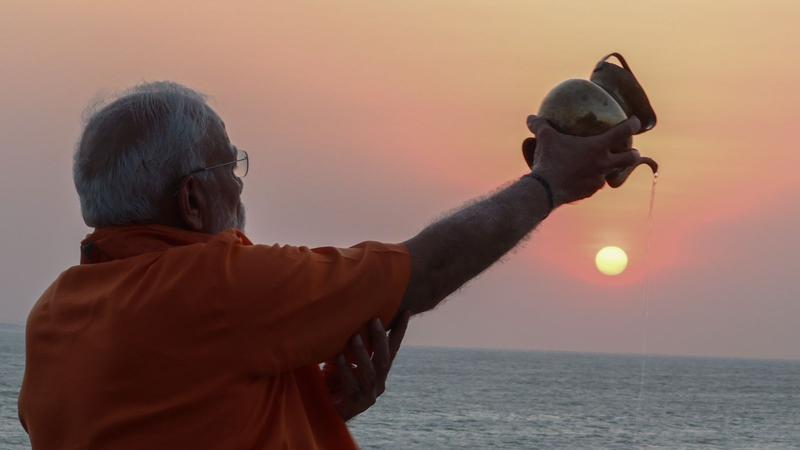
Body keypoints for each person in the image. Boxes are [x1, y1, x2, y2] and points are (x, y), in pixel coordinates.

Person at [18, 81, 651, 449]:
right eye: (229, 167)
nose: (240, 188)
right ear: (192, 199)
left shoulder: (55, 315)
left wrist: (313, 406)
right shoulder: (214, 285)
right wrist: (549, 183)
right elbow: (423, 271)